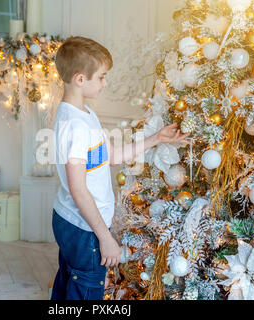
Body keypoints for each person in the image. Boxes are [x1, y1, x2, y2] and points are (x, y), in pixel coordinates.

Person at [50, 36, 189, 300]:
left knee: (69, 282)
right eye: (101, 77)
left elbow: (110, 156)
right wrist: (105, 238)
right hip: (84, 229)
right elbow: (79, 190)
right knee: (85, 290)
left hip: (73, 221)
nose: (105, 83)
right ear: (80, 79)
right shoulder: (76, 126)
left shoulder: (83, 114)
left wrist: (156, 138)